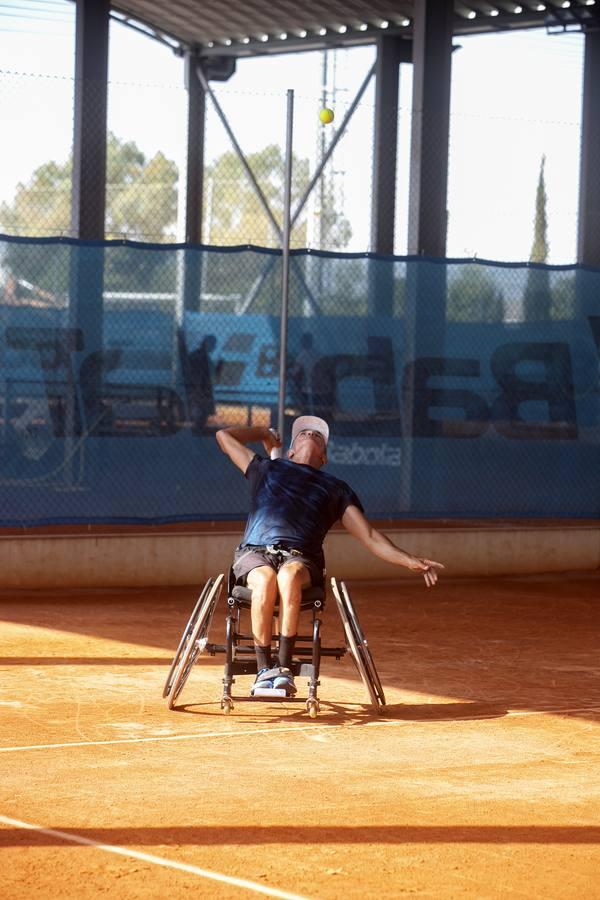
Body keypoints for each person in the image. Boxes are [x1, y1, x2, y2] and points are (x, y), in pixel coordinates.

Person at [216, 415, 444, 697]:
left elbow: (370, 536)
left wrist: (409, 560)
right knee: (264, 579)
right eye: (302, 433)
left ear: (324, 457)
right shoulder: (265, 470)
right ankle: (264, 671)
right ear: (289, 451)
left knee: (288, 575)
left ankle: (284, 669)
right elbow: (224, 437)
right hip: (254, 554)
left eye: (318, 435)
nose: (310, 434)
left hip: (300, 558)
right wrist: (264, 432)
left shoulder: (335, 489)